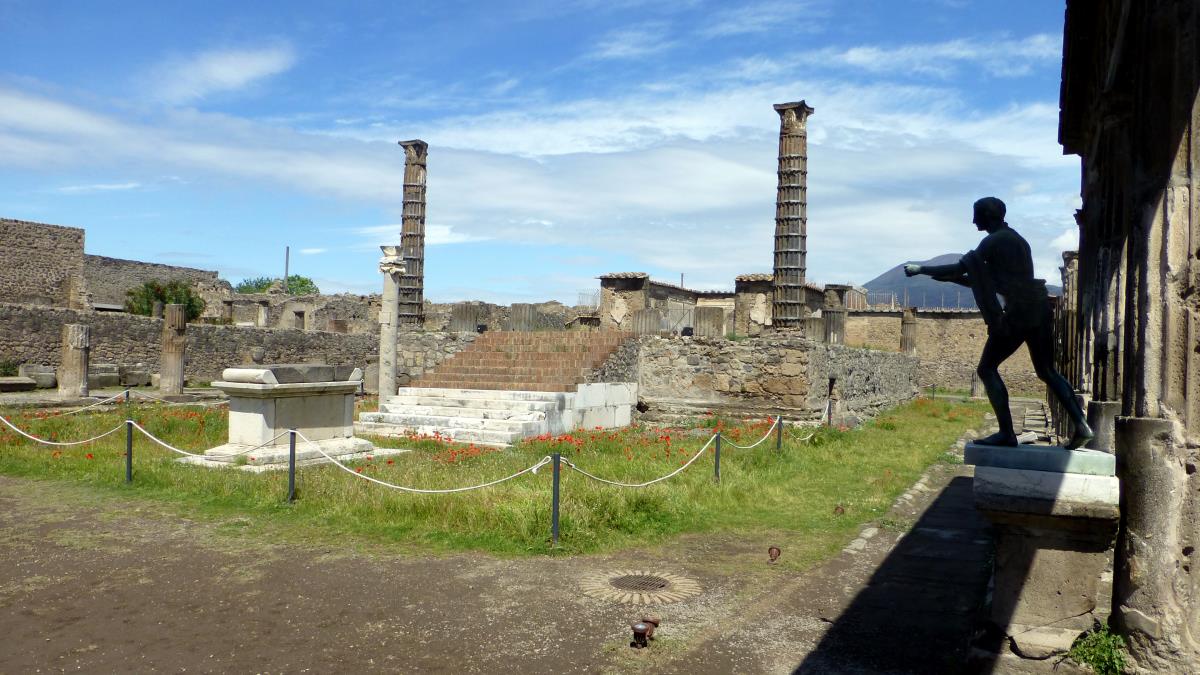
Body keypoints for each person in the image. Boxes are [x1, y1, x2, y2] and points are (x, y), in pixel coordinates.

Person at [904, 197, 1094, 448]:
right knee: (1047, 371)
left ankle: (1006, 433)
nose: (973, 221)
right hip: (1038, 305)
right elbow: (989, 280)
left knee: (986, 368)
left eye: (977, 215)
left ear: (988, 216)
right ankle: (1081, 425)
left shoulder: (994, 241)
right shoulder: (1017, 240)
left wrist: (921, 269)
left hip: (1020, 311)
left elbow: (962, 268)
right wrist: (948, 278)